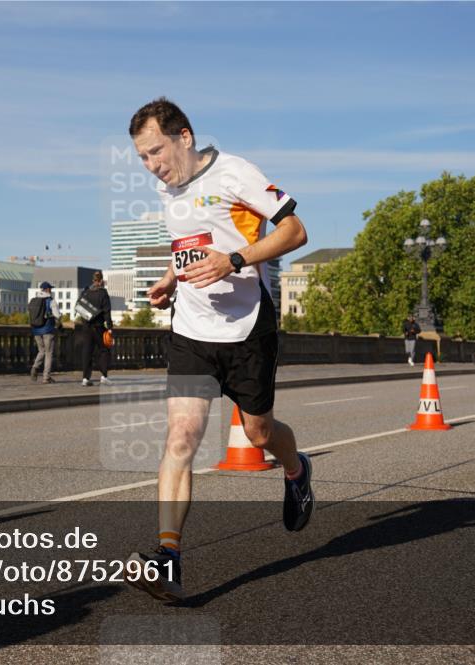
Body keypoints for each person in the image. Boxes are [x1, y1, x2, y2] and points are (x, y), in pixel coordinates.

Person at [124, 98, 311, 601]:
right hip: (191, 330)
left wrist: (233, 260)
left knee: (258, 431)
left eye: (156, 151)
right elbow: (187, 242)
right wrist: (169, 278)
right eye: (142, 157)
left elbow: (296, 230)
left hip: (249, 329)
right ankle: (169, 560)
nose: (152, 165)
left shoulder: (236, 173)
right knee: (181, 437)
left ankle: (297, 469)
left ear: (184, 136)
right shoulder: (168, 190)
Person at [79, 271, 112, 386]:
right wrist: (110, 327)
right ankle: (103, 376)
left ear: (93, 280)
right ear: (101, 281)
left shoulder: (85, 291)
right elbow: (107, 311)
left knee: (87, 352)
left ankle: (85, 378)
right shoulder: (103, 293)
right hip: (98, 327)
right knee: (104, 350)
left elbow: (80, 307)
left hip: (86, 326)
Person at [29, 281, 60, 384]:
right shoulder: (50, 301)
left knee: (41, 351)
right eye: (50, 289)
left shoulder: (34, 300)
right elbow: (57, 315)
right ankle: (46, 377)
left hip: (36, 330)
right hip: (47, 330)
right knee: (48, 353)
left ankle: (35, 367)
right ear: (47, 289)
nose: (51, 290)